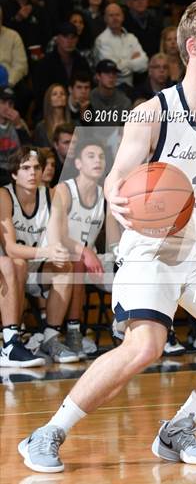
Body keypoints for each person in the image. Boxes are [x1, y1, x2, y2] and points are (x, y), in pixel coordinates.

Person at [18, 0, 196, 473]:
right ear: (193, 47)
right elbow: (118, 180)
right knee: (145, 346)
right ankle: (47, 432)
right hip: (152, 247)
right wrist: (118, 197)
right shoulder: (151, 113)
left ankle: (179, 429)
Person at [0, 146, 77, 364]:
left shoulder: (52, 197)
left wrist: (58, 251)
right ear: (14, 173)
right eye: (25, 168)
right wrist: (47, 251)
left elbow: (54, 241)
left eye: (36, 168)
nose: (32, 173)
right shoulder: (4, 196)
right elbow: (11, 248)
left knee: (65, 267)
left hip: (31, 266)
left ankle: (50, 338)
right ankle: (10, 343)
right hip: (7, 269)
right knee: (15, 263)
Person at [51, 139, 106, 357]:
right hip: (57, 258)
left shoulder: (104, 194)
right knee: (77, 262)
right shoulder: (63, 190)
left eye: (101, 156)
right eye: (91, 156)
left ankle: (126, 332)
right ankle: (74, 332)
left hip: (89, 259)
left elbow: (112, 236)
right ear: (78, 164)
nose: (98, 160)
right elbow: (59, 236)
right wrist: (85, 251)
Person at [94, 3, 149, 91]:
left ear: (123, 17)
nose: (115, 18)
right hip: (110, 89)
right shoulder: (101, 40)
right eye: (111, 15)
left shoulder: (131, 38)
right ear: (105, 18)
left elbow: (144, 64)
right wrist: (132, 60)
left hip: (130, 88)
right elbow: (114, 69)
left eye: (117, 15)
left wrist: (122, 62)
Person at [0, 86, 31, 185]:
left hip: (17, 172)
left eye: (10, 104)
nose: (7, 107)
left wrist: (18, 126)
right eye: (3, 102)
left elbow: (29, 151)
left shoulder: (19, 122)